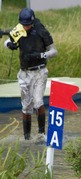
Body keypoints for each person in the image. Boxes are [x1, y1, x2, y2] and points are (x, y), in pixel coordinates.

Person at [4, 8, 57, 142]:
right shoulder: (18, 30)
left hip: (39, 71)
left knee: (38, 102)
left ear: (32, 22)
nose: (25, 27)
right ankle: (26, 138)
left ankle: (41, 134)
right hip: (24, 73)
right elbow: (7, 41)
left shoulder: (41, 31)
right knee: (26, 106)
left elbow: (54, 51)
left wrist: (40, 55)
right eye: (23, 25)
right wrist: (9, 45)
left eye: (27, 25)